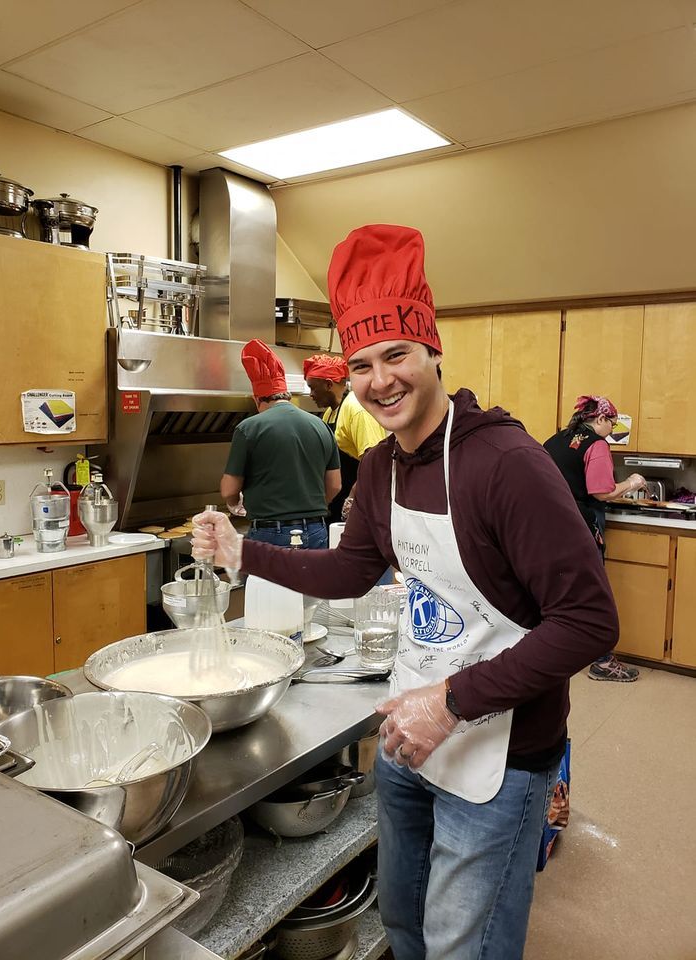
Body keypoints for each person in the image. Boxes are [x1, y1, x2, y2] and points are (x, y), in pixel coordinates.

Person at [193, 225, 618, 960]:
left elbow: (588, 622)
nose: (379, 380)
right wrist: (243, 553)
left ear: (432, 353)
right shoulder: (383, 468)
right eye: (361, 364)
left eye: (396, 356)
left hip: (501, 749)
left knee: (464, 947)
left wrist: (449, 703)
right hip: (406, 735)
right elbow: (349, 571)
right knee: (403, 926)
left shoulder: (506, 463)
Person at [544, 396, 647, 682]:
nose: (612, 430)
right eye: (612, 424)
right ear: (600, 420)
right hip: (580, 526)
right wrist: (632, 483)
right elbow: (602, 491)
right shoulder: (597, 445)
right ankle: (602, 662)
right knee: (593, 592)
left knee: (554, 590)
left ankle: (551, 653)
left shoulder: (557, 439)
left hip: (546, 526)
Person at [220, 338, 341, 549]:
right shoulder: (321, 426)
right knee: (312, 583)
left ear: (257, 398)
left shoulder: (248, 428)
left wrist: (234, 505)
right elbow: (335, 485)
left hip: (269, 533)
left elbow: (229, 489)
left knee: (266, 584)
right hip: (316, 531)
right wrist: (311, 509)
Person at [303, 353, 385, 523]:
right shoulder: (330, 413)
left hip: (357, 502)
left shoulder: (356, 409)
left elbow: (376, 462)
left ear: (328, 384)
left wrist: (352, 498)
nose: (311, 395)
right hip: (337, 501)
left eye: (313, 388)